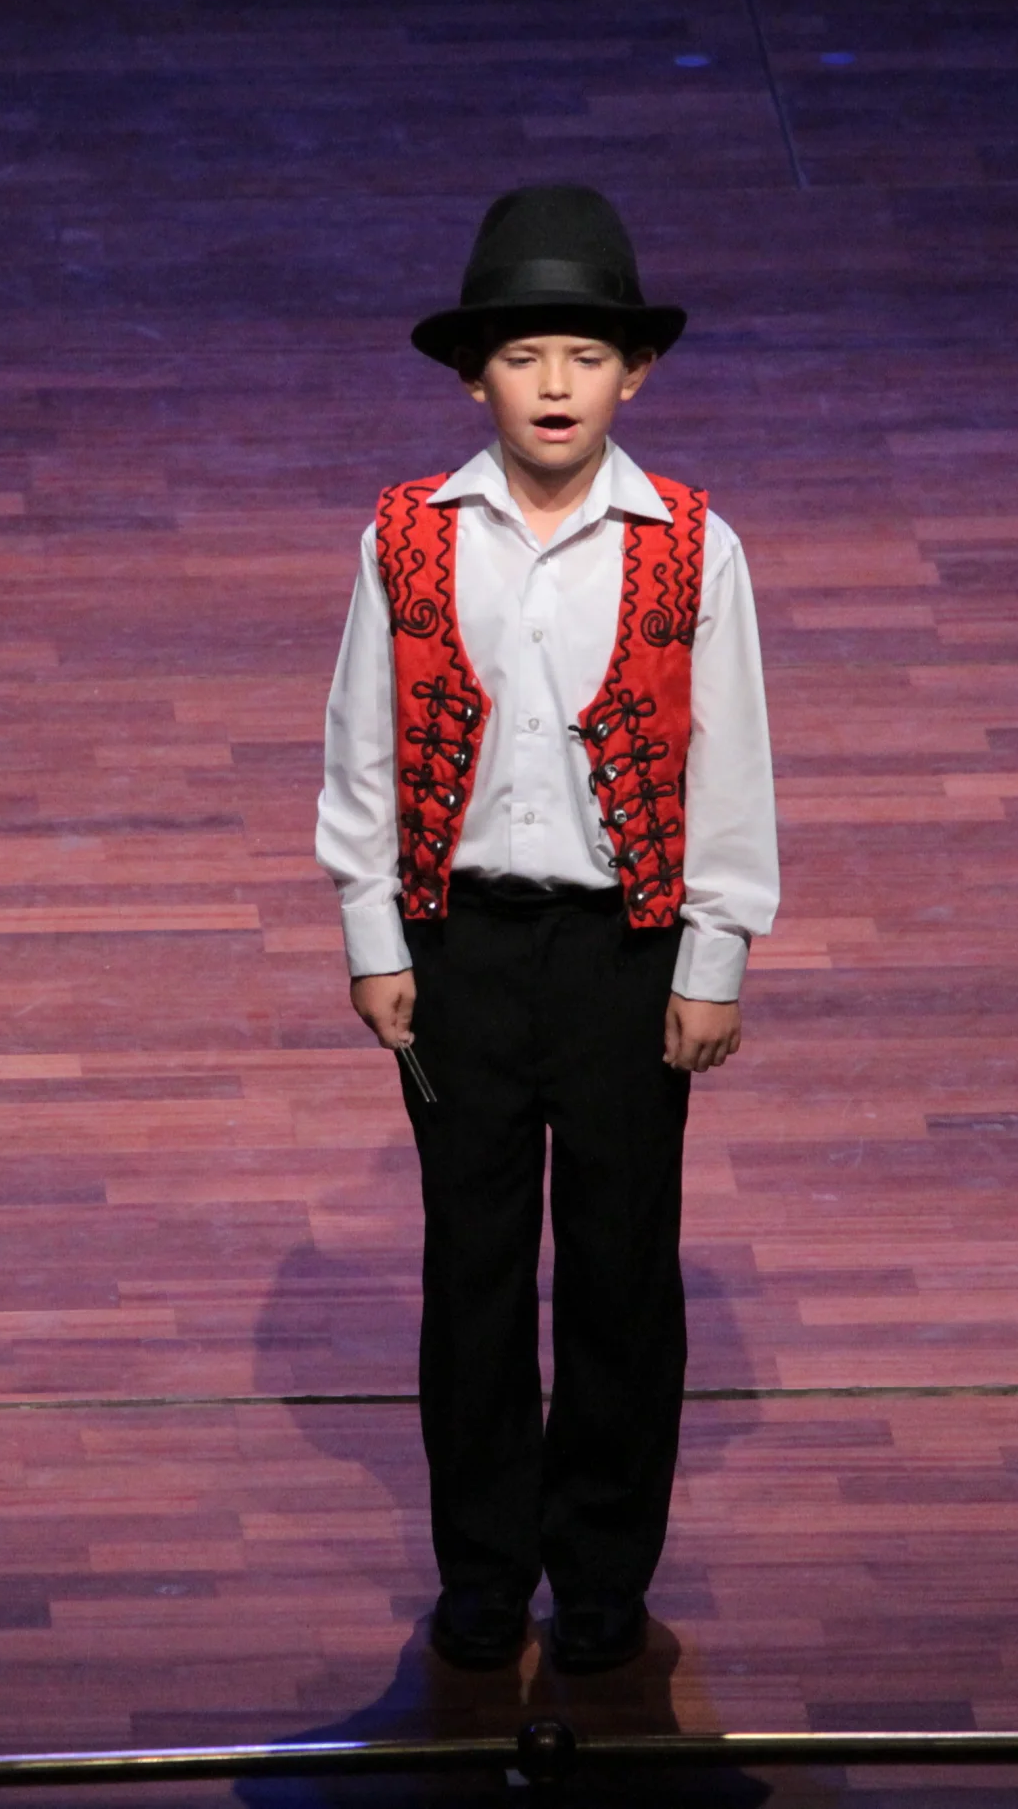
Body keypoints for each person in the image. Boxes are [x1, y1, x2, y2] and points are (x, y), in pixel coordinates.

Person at [315, 185, 778, 1675]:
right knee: (473, 1265)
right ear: (477, 378)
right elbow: (362, 750)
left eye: (586, 355)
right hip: (459, 945)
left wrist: (716, 953)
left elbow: (729, 760)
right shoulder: (408, 534)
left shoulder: (693, 544)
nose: (557, 384)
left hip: (623, 952)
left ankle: (599, 1574)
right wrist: (374, 934)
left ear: (635, 373)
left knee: (622, 1270)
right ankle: (482, 1567)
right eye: (525, 357)